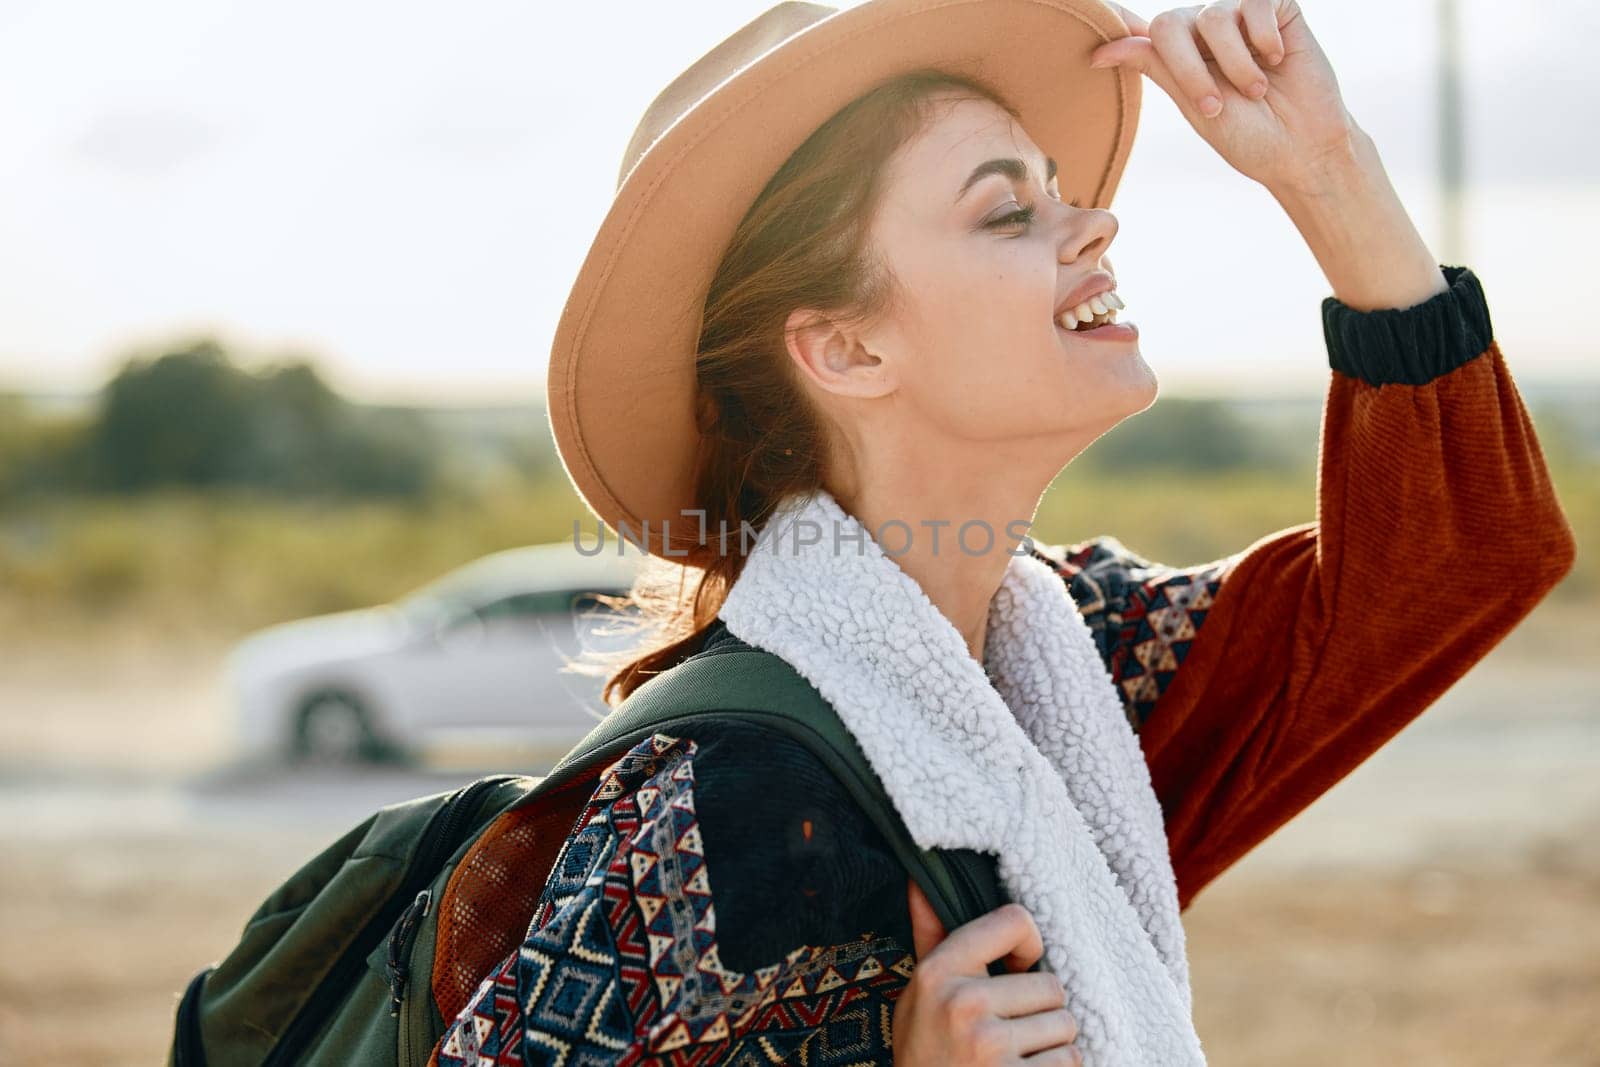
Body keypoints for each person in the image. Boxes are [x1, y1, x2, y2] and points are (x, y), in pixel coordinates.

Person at [433, 0, 1578, 1063]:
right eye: (1008, 209)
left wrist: (1327, 168)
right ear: (847, 349)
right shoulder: (726, 796)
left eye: (1056, 185)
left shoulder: (1083, 660)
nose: (1096, 221)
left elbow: (1462, 558)